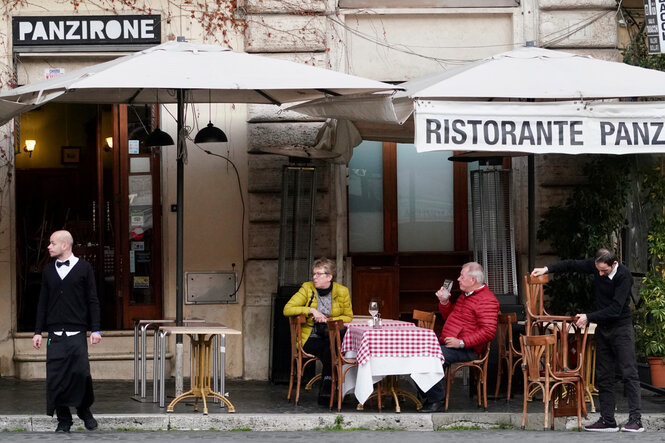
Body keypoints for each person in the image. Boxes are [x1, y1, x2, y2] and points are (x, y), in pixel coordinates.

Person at [531, 248, 644, 433]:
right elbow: (571, 264)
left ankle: (636, 420)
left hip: (621, 328)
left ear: (613, 264)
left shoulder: (624, 276)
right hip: (603, 329)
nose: (599, 274)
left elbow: (616, 309)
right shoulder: (596, 266)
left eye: (604, 271)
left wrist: (588, 317)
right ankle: (608, 420)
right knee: (603, 375)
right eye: (597, 270)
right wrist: (546, 269)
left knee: (629, 373)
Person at [32, 230, 101, 433]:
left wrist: (95, 329)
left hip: (76, 333)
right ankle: (64, 420)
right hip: (55, 334)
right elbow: (42, 303)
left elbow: (92, 300)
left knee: (80, 374)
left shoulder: (84, 268)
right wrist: (38, 331)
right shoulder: (48, 271)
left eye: (52, 243)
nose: (48, 246)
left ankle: (84, 411)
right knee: (56, 377)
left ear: (64, 245)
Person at [420, 262, 499, 413]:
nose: (458, 279)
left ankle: (436, 399)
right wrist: (444, 302)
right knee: (419, 349)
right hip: (451, 342)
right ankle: (426, 394)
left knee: (432, 356)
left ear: (473, 280)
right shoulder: (466, 296)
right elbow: (451, 318)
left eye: (462, 276)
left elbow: (489, 331)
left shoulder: (486, 300)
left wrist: (462, 342)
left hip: (468, 349)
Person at [283, 257, 353, 405]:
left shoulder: (342, 291)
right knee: (332, 348)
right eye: (314, 274)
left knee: (333, 343)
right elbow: (287, 309)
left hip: (330, 334)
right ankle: (329, 386)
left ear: (329, 277)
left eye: (318, 274)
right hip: (311, 337)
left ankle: (328, 386)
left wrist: (328, 320)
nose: (314, 277)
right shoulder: (307, 288)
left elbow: (348, 317)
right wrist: (311, 310)